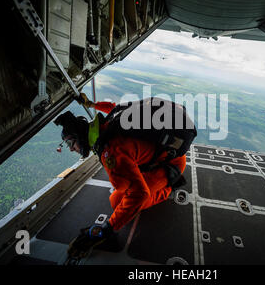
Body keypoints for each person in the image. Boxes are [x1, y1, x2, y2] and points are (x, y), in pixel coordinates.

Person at [55, 94, 187, 258]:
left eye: (70, 143)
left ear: (80, 137)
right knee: (123, 189)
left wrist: (106, 229)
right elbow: (113, 107)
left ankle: (167, 187)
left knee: (117, 200)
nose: (71, 148)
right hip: (163, 156)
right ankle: (157, 177)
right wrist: (91, 104)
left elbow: (139, 193)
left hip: (170, 164)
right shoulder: (111, 120)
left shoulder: (111, 152)